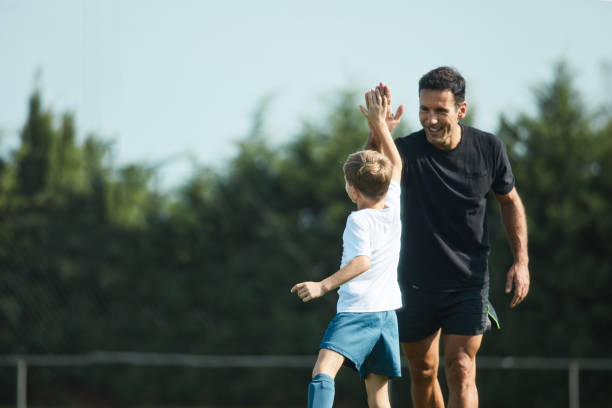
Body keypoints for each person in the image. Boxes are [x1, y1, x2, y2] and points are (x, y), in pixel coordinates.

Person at [366, 68, 530, 408]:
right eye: (424, 109)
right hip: (413, 282)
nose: (431, 119)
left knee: (460, 366)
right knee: (423, 371)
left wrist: (521, 261)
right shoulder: (405, 152)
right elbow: (365, 184)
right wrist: (377, 130)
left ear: (461, 109)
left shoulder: (488, 148)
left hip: (467, 283)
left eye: (440, 110)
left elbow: (510, 201)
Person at [291, 88, 404, 408]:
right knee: (378, 392)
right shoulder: (392, 204)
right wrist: (379, 128)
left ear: (353, 191)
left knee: (323, 372)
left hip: (358, 312)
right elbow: (394, 162)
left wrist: (321, 285)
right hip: (387, 314)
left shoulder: (359, 222)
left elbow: (362, 262)